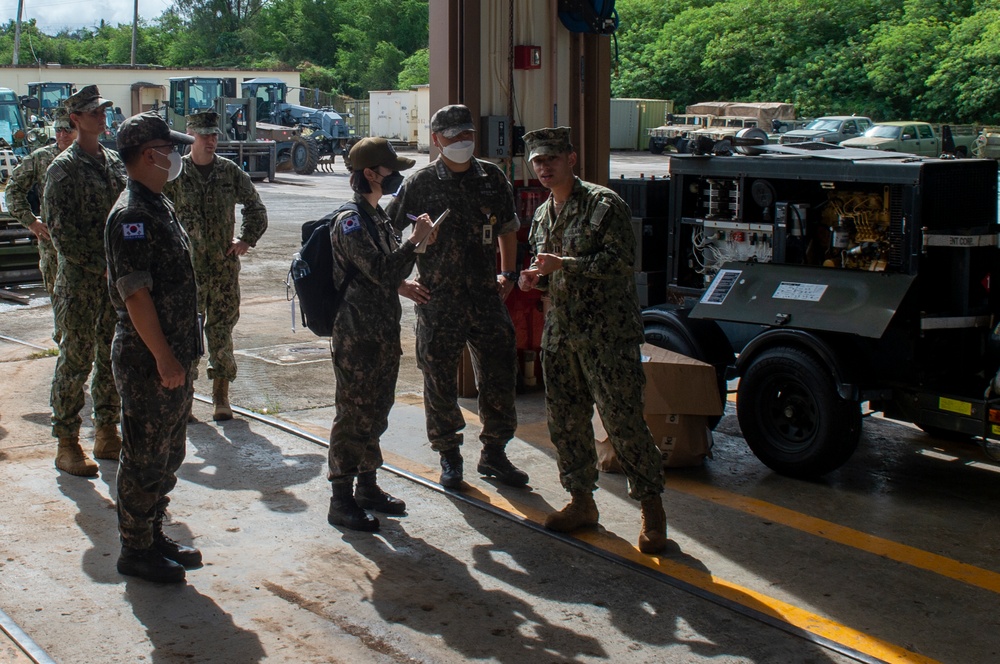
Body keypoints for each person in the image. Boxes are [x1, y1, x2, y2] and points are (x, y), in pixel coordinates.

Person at [518, 127, 667, 554]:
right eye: (537, 162)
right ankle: (582, 501)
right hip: (561, 334)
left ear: (572, 158)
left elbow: (620, 262)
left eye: (551, 159)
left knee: (622, 422)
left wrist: (563, 263)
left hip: (607, 335)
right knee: (566, 423)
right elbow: (547, 268)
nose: (544, 168)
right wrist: (535, 278)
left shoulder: (604, 204)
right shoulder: (544, 214)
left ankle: (652, 510)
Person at [386, 104, 528, 490]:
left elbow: (508, 229)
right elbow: (386, 232)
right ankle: (449, 455)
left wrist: (508, 273)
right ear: (436, 140)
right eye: (453, 137)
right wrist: (400, 283)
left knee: (501, 373)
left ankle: (495, 453)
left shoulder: (492, 178)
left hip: (485, 295)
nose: (462, 142)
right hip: (438, 298)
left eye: (467, 135)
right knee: (439, 380)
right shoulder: (420, 183)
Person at [105, 111, 200, 583]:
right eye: (172, 149)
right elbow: (136, 293)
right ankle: (135, 549)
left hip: (175, 354)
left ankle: (153, 533)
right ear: (149, 155)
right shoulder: (132, 215)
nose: (178, 156)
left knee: (168, 453)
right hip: (149, 359)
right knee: (144, 455)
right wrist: (163, 356)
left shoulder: (158, 204)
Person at [326, 137, 437, 532]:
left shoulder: (377, 217)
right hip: (357, 336)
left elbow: (389, 276)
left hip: (382, 332)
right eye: (391, 170)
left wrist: (407, 267)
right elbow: (385, 270)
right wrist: (415, 243)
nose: (397, 177)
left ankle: (367, 486)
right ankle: (341, 497)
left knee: (375, 412)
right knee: (353, 415)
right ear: (370, 174)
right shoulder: (351, 221)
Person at [164, 109, 268, 421]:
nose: (210, 140)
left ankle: (221, 395)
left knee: (221, 330)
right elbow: (156, 210)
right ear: (190, 136)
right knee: (187, 333)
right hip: (187, 271)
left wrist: (246, 239)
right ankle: (186, 398)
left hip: (223, 269)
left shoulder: (229, 171)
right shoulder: (174, 173)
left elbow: (256, 207)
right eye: (204, 135)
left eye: (214, 135)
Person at [43, 85, 126, 476]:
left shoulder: (113, 163)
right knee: (76, 359)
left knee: (112, 356)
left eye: (103, 110)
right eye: (93, 111)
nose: (101, 116)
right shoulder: (62, 170)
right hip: (79, 283)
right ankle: (67, 441)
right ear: (75, 120)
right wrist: (102, 264)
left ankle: (107, 429)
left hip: (113, 282)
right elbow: (62, 234)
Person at [5, 106, 77, 310]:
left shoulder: (91, 157)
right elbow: (13, 190)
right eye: (58, 130)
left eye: (68, 130)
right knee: (61, 303)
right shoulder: (41, 158)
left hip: (87, 243)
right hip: (53, 244)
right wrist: (31, 222)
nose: (62, 135)